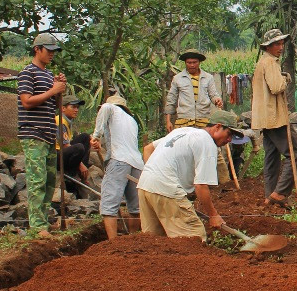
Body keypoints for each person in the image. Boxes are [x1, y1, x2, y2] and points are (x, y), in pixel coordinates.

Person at [137, 109, 246, 241]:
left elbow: (148, 148)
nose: (229, 140)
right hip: (167, 188)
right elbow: (200, 185)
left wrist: (155, 175)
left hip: (144, 185)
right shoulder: (207, 143)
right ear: (217, 127)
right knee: (194, 238)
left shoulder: (183, 131)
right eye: (229, 134)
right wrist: (213, 215)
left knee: (153, 240)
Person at [18, 33, 67, 238]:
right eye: (49, 51)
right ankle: (37, 225)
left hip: (48, 134)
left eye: (54, 51)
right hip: (33, 133)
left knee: (48, 181)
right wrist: (52, 90)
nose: (52, 55)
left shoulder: (48, 76)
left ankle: (44, 221)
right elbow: (27, 101)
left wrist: (58, 90)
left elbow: (54, 106)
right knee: (36, 179)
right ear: (37, 49)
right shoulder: (27, 73)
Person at [250, 28, 297, 209]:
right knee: (294, 154)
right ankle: (280, 193)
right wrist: (285, 79)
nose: (280, 47)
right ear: (268, 46)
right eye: (276, 44)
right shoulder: (271, 63)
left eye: (281, 43)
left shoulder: (261, 62)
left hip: (264, 118)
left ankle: (269, 196)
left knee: (271, 157)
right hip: (274, 117)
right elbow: (276, 87)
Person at [165, 49, 231, 186]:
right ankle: (181, 183)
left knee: (213, 150)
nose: (191, 65)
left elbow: (213, 94)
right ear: (185, 63)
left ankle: (224, 183)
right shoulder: (178, 79)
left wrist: (217, 100)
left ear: (199, 62)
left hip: (203, 121)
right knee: (181, 151)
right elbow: (171, 100)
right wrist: (168, 120)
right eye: (189, 62)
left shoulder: (208, 78)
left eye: (194, 62)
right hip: (184, 121)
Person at [91, 95, 145, 240]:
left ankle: (113, 243)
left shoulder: (111, 109)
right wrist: (99, 144)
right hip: (137, 164)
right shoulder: (132, 121)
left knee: (109, 206)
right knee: (136, 208)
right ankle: (133, 239)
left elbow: (106, 107)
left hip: (119, 161)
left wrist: (95, 136)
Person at [55, 94, 93, 196]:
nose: (76, 110)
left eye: (77, 107)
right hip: (56, 156)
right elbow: (65, 145)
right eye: (73, 107)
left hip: (64, 153)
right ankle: (73, 173)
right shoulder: (60, 121)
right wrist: (81, 164)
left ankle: (81, 174)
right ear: (63, 108)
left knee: (85, 137)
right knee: (79, 148)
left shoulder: (68, 121)